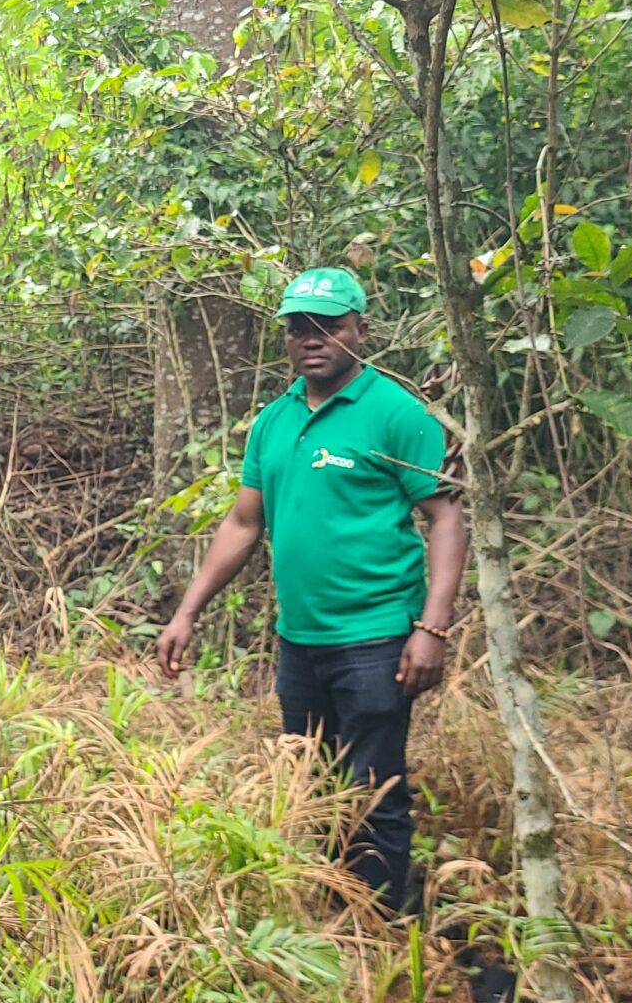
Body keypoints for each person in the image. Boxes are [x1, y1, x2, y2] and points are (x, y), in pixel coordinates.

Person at [154, 266, 463, 915]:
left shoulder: (396, 414)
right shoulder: (274, 421)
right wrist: (187, 611)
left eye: (329, 325)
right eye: (299, 326)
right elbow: (243, 523)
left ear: (361, 330)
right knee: (311, 781)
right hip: (300, 641)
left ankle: (376, 933)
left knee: (374, 788)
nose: (312, 338)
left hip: (377, 637)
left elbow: (445, 517)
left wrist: (431, 628)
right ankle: (327, 913)